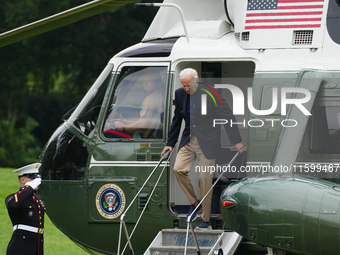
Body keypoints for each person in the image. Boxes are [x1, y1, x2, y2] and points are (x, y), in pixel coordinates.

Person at [161, 68, 244, 230]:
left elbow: (227, 115)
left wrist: (236, 141)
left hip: (208, 141)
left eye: (188, 85)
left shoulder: (212, 93)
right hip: (188, 139)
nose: (186, 88)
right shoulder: (180, 94)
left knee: (204, 179)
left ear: (196, 80)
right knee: (178, 169)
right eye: (184, 85)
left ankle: (205, 220)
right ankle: (194, 202)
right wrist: (170, 143)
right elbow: (177, 118)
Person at [104, 69, 164, 139]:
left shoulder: (151, 99)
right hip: (149, 135)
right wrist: (125, 121)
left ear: (157, 82)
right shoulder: (159, 95)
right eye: (144, 81)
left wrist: (123, 127)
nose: (145, 84)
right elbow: (146, 121)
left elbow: (143, 124)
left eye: (148, 81)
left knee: (105, 130)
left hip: (142, 137)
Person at [5, 163, 45, 255]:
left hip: (37, 245)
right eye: (32, 178)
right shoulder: (12, 198)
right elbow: (13, 205)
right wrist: (29, 187)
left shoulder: (38, 199)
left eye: (37, 178)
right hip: (21, 246)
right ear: (23, 179)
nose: (36, 181)